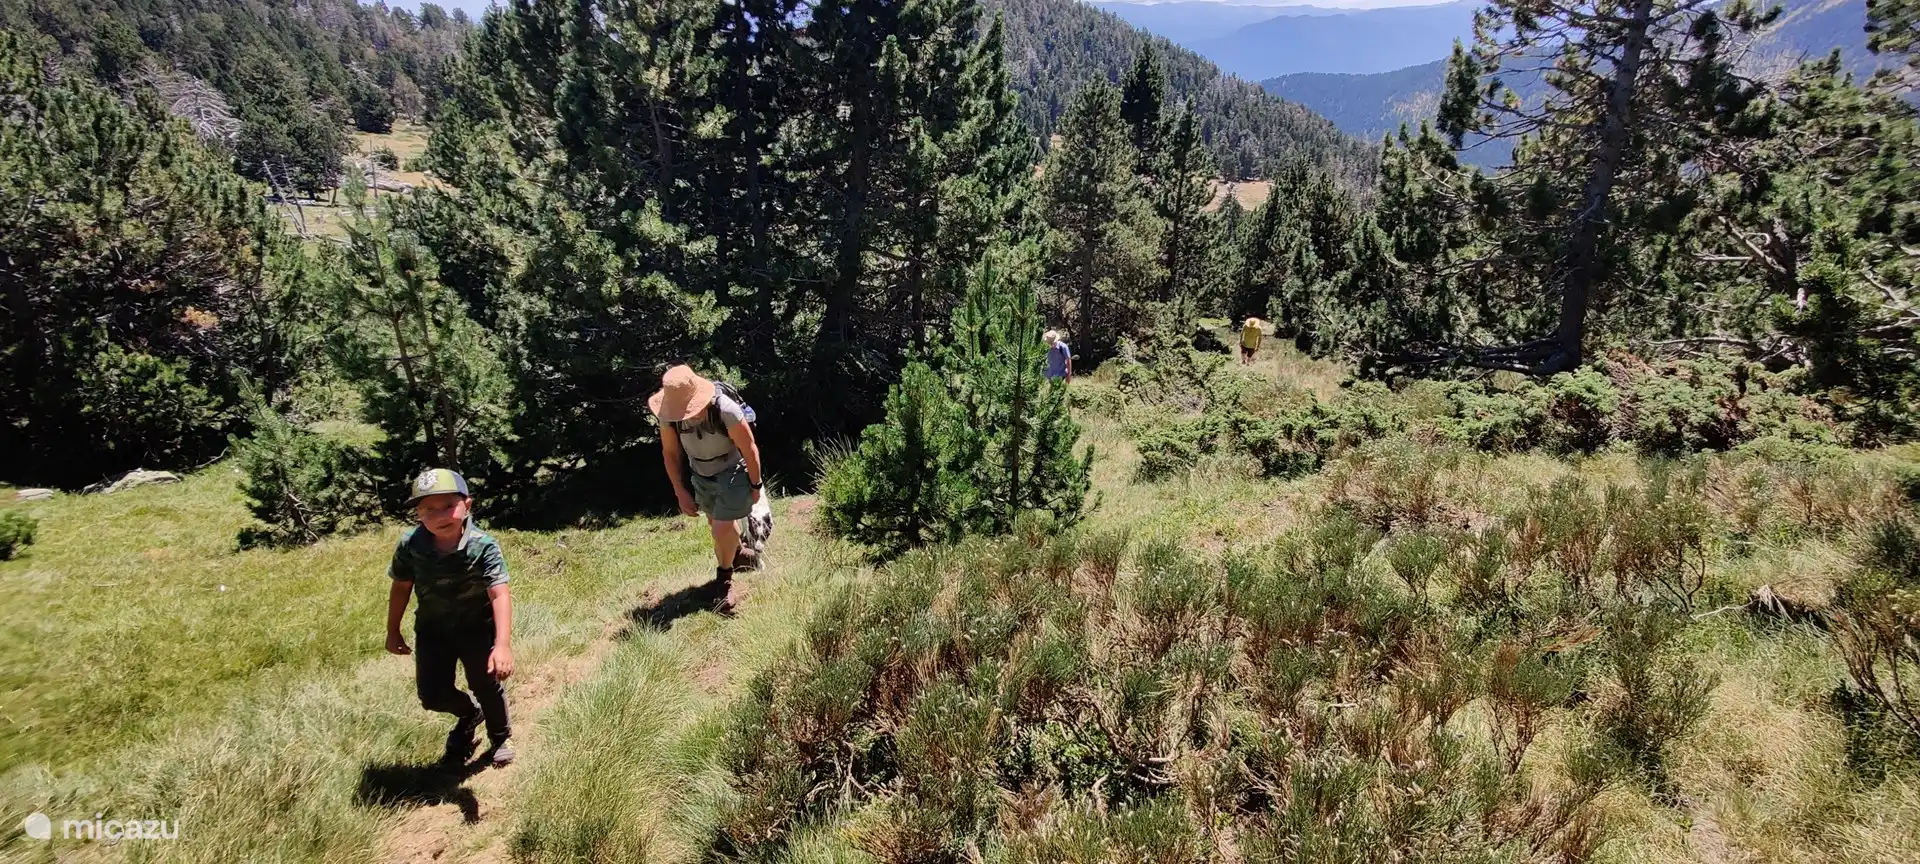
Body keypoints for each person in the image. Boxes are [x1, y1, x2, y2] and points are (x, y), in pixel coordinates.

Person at [385, 468, 516, 768]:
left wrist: (503, 644)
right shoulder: (410, 545)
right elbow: (401, 587)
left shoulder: (483, 545)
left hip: (476, 629)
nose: (440, 515)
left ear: (466, 505)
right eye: (429, 509)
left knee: (485, 685)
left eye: (448, 505)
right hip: (432, 631)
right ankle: (469, 714)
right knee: (432, 695)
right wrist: (393, 631)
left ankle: (500, 736)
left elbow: (500, 593)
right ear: (417, 514)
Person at [653, 365, 764, 610]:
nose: (686, 414)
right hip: (700, 474)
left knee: (720, 529)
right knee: (716, 524)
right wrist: (680, 491)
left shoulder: (726, 409)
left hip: (732, 469)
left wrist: (755, 484)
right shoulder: (668, 416)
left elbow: (749, 448)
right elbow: (670, 453)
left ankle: (723, 581)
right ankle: (737, 553)